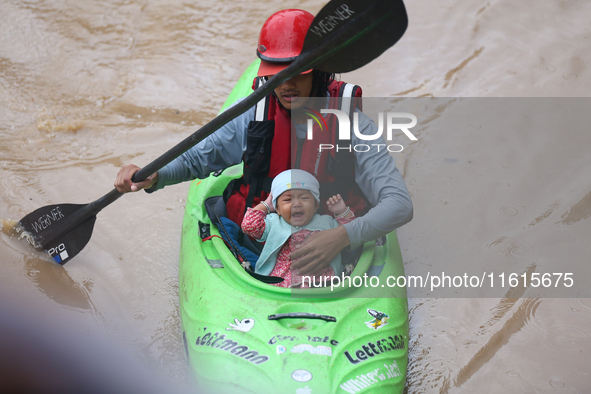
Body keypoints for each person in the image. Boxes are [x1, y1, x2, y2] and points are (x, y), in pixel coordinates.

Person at [115, 9, 413, 277]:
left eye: (298, 72)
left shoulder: (355, 126)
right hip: (261, 244)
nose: (286, 84)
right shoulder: (253, 116)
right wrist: (155, 175)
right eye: (276, 73)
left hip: (335, 251)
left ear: (321, 69)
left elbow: (399, 205)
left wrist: (343, 236)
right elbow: (197, 159)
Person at [241, 170, 354, 288]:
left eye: (304, 198)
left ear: (316, 206)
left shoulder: (327, 222)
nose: (297, 204)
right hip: (281, 282)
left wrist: (342, 212)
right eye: (288, 200)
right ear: (277, 209)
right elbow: (249, 226)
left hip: (321, 282)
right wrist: (266, 205)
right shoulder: (273, 222)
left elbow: (350, 234)